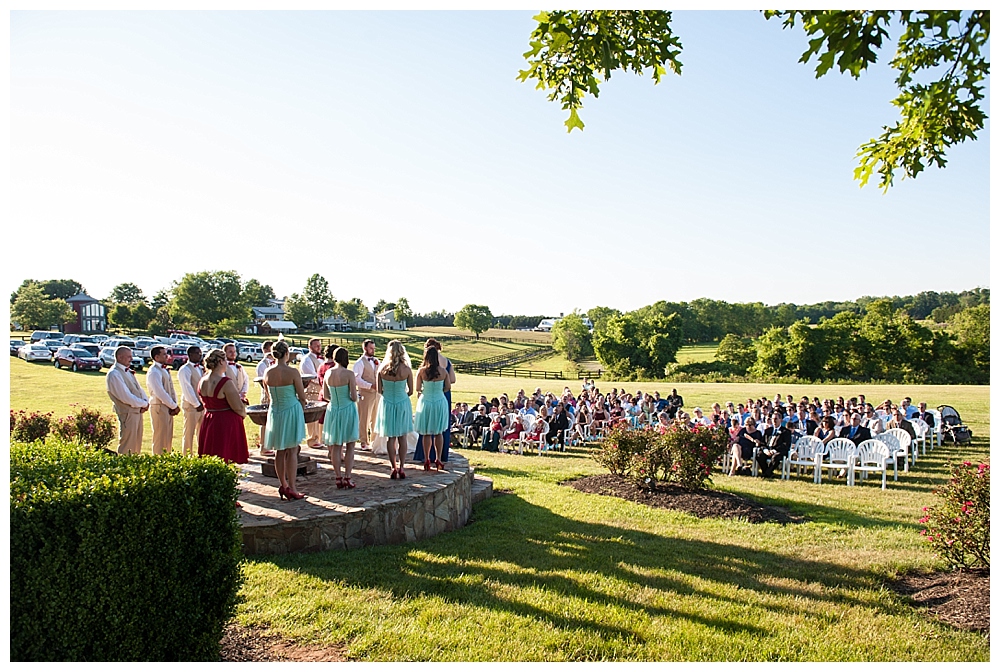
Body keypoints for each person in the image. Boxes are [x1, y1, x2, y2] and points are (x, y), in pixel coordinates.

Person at [262, 340, 308, 499]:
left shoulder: (267, 372)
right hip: (291, 410)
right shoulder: (292, 372)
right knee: (292, 450)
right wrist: (301, 407)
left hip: (276, 411)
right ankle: (293, 487)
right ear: (286, 354)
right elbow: (302, 396)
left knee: (279, 451)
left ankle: (283, 484)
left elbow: (268, 396)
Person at [197, 348, 249, 466]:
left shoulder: (202, 381)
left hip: (209, 419)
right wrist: (243, 413)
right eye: (225, 360)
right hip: (225, 422)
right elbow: (238, 407)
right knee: (225, 455)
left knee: (210, 455)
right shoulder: (225, 382)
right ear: (220, 361)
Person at [374, 340, 414, 479]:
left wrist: (389, 395)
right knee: (402, 437)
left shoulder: (382, 369)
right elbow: (411, 391)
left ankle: (393, 467)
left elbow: (379, 390)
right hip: (402, 402)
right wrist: (401, 395)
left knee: (390, 437)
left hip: (388, 403)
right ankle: (402, 467)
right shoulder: (406, 369)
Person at [322, 346, 360, 488]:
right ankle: (348, 477)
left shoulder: (328, 373)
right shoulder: (349, 374)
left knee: (336, 446)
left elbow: (325, 396)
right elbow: (354, 396)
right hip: (347, 409)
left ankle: (338, 476)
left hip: (333, 409)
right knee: (350, 445)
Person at [414, 338, 457, 463]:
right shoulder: (443, 370)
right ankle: (439, 458)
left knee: (426, 431)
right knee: (439, 431)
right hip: (440, 400)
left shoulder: (421, 371)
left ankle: (426, 457)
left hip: (426, 400)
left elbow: (417, 388)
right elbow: (449, 385)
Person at [105, 346, 149, 455]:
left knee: (136, 443)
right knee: (127, 444)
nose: (131, 358)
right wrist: (143, 403)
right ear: (120, 357)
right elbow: (125, 397)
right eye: (129, 356)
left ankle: (134, 466)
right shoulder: (114, 374)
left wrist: (146, 402)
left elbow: (139, 389)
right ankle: (124, 467)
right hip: (127, 413)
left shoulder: (127, 371)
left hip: (137, 411)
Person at [146, 345, 180, 455]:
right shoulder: (154, 371)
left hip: (168, 407)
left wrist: (174, 404)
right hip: (159, 406)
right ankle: (158, 460)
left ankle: (166, 459)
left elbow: (170, 388)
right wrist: (173, 406)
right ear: (156, 357)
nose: (167, 356)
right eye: (164, 354)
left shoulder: (164, 369)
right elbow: (159, 392)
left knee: (167, 436)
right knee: (160, 437)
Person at [353, 339, 380, 450]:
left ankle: (374, 440)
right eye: (370, 348)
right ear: (365, 348)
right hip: (365, 393)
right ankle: (363, 441)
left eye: (373, 348)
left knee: (376, 417)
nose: (373, 350)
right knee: (364, 418)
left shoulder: (376, 361)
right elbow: (356, 379)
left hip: (377, 394)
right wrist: (370, 385)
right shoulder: (359, 363)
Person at [177, 345, 205, 457]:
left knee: (202, 432)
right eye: (197, 353)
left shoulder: (200, 368)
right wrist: (196, 404)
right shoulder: (185, 369)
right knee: (189, 432)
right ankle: (187, 455)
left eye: (200, 353)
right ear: (190, 355)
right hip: (191, 406)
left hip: (202, 405)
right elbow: (187, 388)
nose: (200, 355)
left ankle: (201, 453)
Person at [299, 338, 325, 448]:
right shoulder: (306, 360)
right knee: (313, 417)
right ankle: (312, 439)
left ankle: (320, 438)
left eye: (319, 345)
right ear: (310, 347)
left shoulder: (321, 359)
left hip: (322, 391)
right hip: (312, 391)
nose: (319, 347)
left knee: (321, 417)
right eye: (316, 346)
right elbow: (312, 376)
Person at [254, 340, 276, 456]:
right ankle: (263, 446)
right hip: (267, 395)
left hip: (277, 395)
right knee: (265, 421)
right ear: (266, 350)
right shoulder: (263, 365)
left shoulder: (275, 363)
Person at [757, 412, 792, 478]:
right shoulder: (768, 431)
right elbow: (762, 442)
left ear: (781, 420)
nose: (774, 421)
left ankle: (766, 473)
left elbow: (786, 445)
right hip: (768, 450)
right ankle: (767, 472)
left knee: (776, 457)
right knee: (759, 455)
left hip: (778, 451)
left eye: (776, 419)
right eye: (772, 419)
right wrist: (765, 450)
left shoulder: (786, 432)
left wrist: (774, 450)